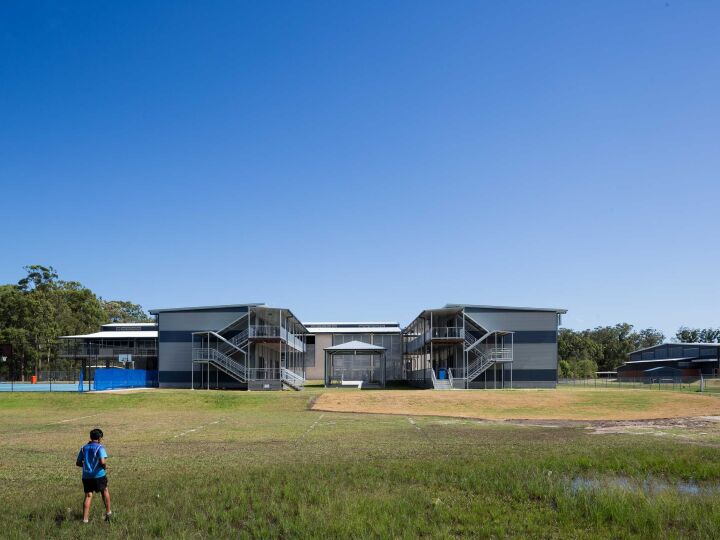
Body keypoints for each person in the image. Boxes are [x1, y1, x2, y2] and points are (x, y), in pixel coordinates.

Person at [76, 428, 112, 523]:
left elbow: (78, 462)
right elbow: (102, 461)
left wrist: (87, 466)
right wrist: (104, 467)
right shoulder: (100, 447)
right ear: (100, 438)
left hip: (86, 476)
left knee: (88, 495)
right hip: (99, 475)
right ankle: (108, 513)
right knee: (104, 491)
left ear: (90, 437)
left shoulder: (84, 448)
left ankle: (85, 520)